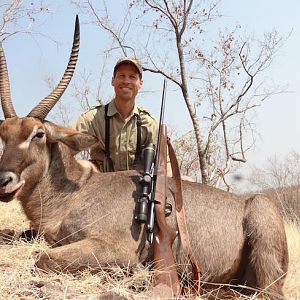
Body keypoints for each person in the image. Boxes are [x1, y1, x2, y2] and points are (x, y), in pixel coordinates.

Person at [72, 57, 158, 172]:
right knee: (84, 165)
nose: (126, 81)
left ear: (140, 83)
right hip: (102, 186)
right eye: (122, 76)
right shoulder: (92, 118)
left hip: (139, 187)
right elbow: (64, 148)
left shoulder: (149, 122)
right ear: (113, 80)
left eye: (132, 77)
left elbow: (164, 162)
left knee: (185, 180)